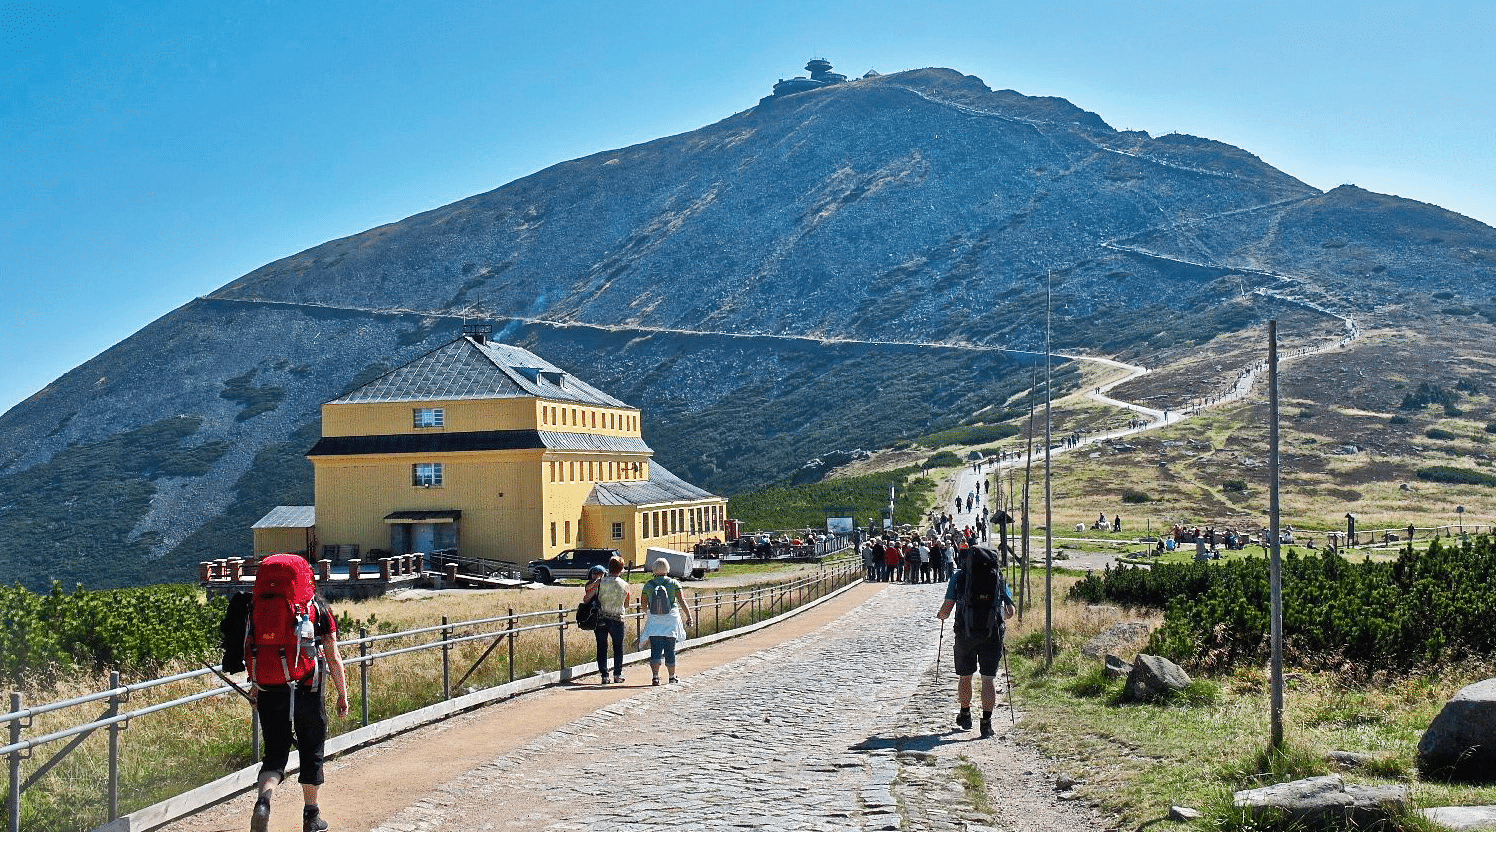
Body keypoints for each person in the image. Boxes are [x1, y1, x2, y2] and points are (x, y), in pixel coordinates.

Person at [246, 554, 349, 832]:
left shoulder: (257, 607)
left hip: (270, 688)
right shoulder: (318, 610)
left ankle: (263, 803)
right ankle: (311, 817)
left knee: (274, 755)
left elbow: (256, 649)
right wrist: (343, 695)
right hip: (308, 688)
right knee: (311, 750)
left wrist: (255, 688)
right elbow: (334, 657)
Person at [937, 545, 1016, 739]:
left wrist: (941, 615)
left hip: (965, 634)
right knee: (988, 679)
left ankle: (965, 714)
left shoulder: (959, 577)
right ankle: (986, 723)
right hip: (992, 635)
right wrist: (997, 617)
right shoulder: (998, 577)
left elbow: (947, 609)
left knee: (965, 677)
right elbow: (1010, 612)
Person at [639, 558, 692, 685]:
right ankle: (672, 677)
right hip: (671, 620)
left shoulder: (648, 585)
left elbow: (643, 605)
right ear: (667, 568)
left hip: (655, 620)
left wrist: (651, 611)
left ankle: (655, 677)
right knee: (670, 649)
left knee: (656, 649)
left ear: (654, 569)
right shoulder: (674, 583)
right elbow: (682, 601)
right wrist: (689, 616)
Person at [583, 559, 631, 684]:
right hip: (617, 619)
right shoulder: (625, 584)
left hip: (601, 618)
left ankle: (604, 675)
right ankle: (617, 674)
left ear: (609, 568)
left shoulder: (601, 583)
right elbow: (627, 604)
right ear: (621, 569)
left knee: (602, 647)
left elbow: (586, 598)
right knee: (618, 648)